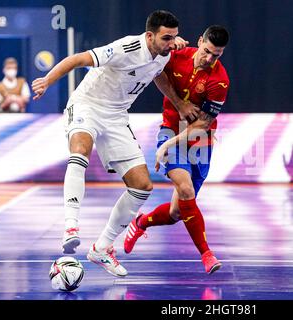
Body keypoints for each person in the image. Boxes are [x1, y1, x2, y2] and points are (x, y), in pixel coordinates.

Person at [31, 10, 193, 277]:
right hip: (87, 105)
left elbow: (159, 75)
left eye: (174, 37)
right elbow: (78, 59)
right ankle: (71, 225)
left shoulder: (164, 53)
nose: (172, 43)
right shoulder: (126, 47)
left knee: (142, 186)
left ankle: (102, 248)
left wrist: (180, 103)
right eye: (167, 38)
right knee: (80, 151)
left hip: (117, 117)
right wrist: (48, 80)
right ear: (149, 35)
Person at [124, 25, 230, 274]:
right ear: (200, 40)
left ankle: (140, 222)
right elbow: (157, 73)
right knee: (185, 188)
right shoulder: (177, 54)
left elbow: (202, 124)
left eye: (217, 55)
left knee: (176, 212)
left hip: (199, 139)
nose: (209, 59)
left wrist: (166, 148)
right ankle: (207, 254)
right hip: (169, 129)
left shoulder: (220, 80)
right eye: (206, 51)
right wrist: (179, 104)